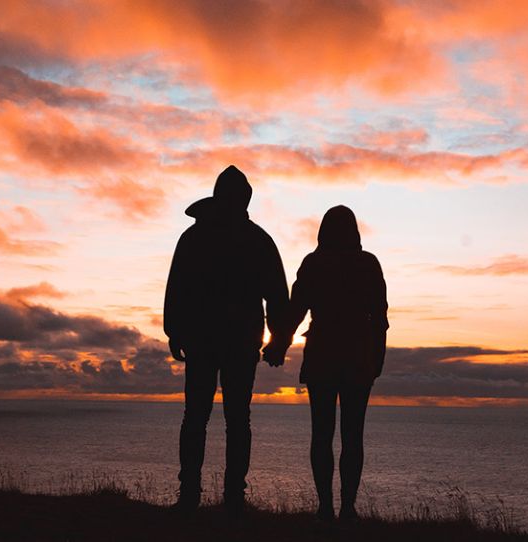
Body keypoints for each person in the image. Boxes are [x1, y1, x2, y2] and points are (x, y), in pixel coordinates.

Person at [164, 165, 289, 515]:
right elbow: (277, 295)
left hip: (209, 339)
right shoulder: (256, 239)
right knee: (232, 419)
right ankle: (227, 496)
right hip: (233, 340)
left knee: (200, 418)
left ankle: (198, 494)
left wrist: (174, 329)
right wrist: (278, 340)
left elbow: (177, 288)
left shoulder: (196, 237)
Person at [271, 205, 388, 522]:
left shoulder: (314, 264)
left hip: (324, 356)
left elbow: (295, 312)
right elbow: (380, 320)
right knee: (352, 436)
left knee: (322, 434)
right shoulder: (368, 264)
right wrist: (376, 359)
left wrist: (278, 345)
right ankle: (346, 508)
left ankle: (327, 508)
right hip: (357, 359)